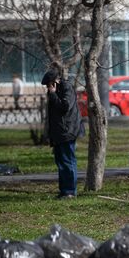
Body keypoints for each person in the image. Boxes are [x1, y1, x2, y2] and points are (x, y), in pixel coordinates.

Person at [41, 67, 84, 199]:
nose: (47, 88)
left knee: (67, 161)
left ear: (55, 82)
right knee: (61, 162)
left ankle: (70, 192)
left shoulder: (66, 88)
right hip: (59, 133)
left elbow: (65, 107)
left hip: (67, 131)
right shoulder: (53, 91)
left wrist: (53, 93)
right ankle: (64, 191)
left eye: (48, 85)